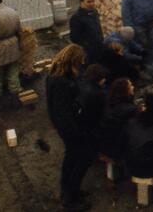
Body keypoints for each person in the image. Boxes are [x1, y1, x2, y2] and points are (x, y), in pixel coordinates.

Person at [46, 44, 94, 211]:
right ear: (74, 61)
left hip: (66, 128)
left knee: (71, 158)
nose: (82, 64)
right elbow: (64, 112)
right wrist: (76, 132)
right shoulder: (63, 83)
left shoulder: (55, 74)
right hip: (71, 129)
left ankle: (69, 189)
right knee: (82, 159)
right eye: (80, 61)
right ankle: (70, 198)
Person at [99, 78, 137, 162]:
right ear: (125, 90)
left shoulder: (110, 100)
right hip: (116, 146)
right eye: (130, 85)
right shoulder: (129, 109)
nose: (133, 87)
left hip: (105, 141)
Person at [69, 0, 105, 64]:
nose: (91, 4)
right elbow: (74, 37)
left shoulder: (94, 12)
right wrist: (88, 46)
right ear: (81, 3)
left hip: (99, 47)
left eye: (93, 1)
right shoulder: (76, 18)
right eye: (88, 2)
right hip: (88, 53)